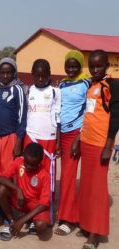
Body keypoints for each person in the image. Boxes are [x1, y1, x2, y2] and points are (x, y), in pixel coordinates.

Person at [72, 50, 119, 249]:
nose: (95, 69)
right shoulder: (91, 85)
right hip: (87, 142)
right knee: (87, 186)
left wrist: (109, 145)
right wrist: (77, 139)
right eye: (91, 66)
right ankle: (86, 224)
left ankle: (95, 234)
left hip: (101, 144)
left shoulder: (113, 85)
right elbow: (88, 115)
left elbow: (116, 117)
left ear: (106, 66)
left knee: (98, 190)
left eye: (99, 66)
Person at [55, 50, 90, 236]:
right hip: (65, 134)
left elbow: (89, 113)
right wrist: (59, 140)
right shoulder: (61, 84)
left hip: (79, 134)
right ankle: (68, 216)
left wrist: (78, 138)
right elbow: (59, 113)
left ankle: (71, 219)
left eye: (75, 65)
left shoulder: (86, 83)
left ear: (80, 66)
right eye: (68, 65)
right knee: (67, 178)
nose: (71, 69)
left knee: (83, 178)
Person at [24, 59, 61, 207]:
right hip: (31, 136)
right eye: (37, 75)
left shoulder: (55, 92)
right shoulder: (28, 91)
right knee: (31, 170)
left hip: (49, 138)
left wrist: (58, 141)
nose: (40, 79)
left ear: (49, 74)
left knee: (47, 173)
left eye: (43, 75)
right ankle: (30, 203)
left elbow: (58, 117)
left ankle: (46, 204)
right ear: (32, 75)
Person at [0, 142, 51, 241]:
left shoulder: (45, 175)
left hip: (35, 205)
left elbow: (43, 204)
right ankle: (12, 221)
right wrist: (17, 189)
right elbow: (1, 178)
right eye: (26, 163)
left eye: (33, 165)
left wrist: (22, 221)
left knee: (41, 226)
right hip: (20, 201)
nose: (28, 167)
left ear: (40, 162)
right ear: (23, 157)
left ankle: (30, 220)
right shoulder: (18, 161)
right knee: (1, 189)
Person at [0, 57, 27, 173]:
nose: (5, 76)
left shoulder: (17, 90)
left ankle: (9, 192)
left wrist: (18, 143)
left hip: (10, 138)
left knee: (8, 172)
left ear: (14, 73)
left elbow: (22, 117)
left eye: (8, 73)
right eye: (2, 73)